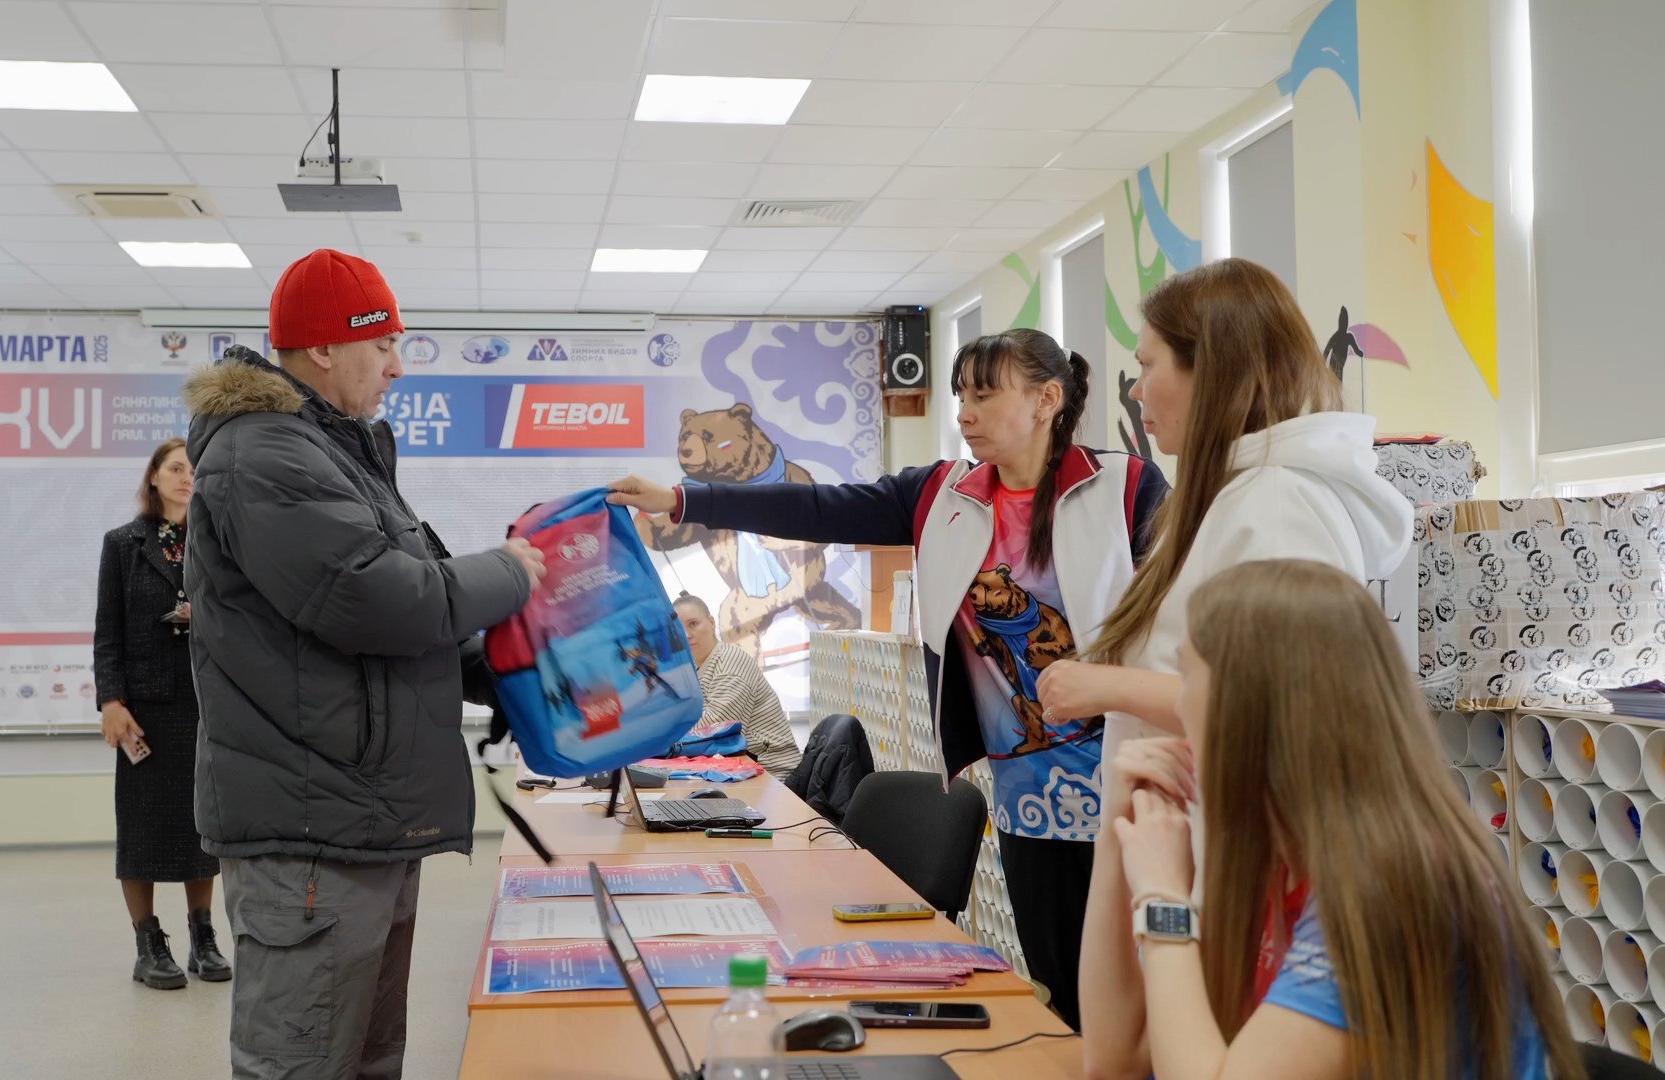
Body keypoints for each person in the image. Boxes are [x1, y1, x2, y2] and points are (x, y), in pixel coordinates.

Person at [610, 328, 1168, 1030]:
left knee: (1146, 998)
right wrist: (684, 500)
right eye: (961, 395)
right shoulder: (942, 493)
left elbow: (1180, 619)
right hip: (1028, 796)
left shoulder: (1126, 488)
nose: (964, 412)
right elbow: (817, 508)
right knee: (1065, 994)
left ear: (1046, 399)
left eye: (984, 395)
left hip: (1131, 785)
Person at [180, 248, 546, 1080]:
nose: (396, 366)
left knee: (369, 1058)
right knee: (306, 1061)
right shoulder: (264, 455)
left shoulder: (335, 451)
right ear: (322, 348)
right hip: (313, 833)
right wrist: (510, 572)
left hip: (364, 821)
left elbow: (409, 617)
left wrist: (514, 678)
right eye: (382, 344)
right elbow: (375, 598)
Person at [1047, 258, 1416, 1059]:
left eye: (1148, 366)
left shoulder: (1276, 501)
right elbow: (1113, 1058)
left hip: (1233, 863)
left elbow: (1285, 698)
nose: (1137, 392)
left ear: (1208, 368)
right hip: (1191, 848)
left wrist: (1107, 685)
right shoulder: (1230, 493)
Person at [1093, 559, 1579, 1080]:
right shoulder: (1277, 852)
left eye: (1186, 677)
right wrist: (1115, 835)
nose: (1178, 703)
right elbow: (1115, 1059)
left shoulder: (1389, 882)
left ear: (1248, 707)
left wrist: (1163, 898)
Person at [92, 437, 229, 991]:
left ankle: (203, 937)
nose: (185, 476)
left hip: (205, 702)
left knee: (202, 827)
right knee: (143, 830)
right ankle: (148, 944)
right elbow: (108, 631)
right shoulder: (122, 544)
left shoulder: (216, 543)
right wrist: (111, 701)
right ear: (153, 477)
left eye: (194, 469)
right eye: (175, 467)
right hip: (143, 709)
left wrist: (207, 615)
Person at [672, 593, 801, 775]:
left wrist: (663, 738)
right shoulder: (693, 666)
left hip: (772, 773)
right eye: (678, 628)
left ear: (711, 622)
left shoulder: (729, 664)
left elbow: (713, 731)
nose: (686, 635)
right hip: (735, 765)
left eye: (693, 624)